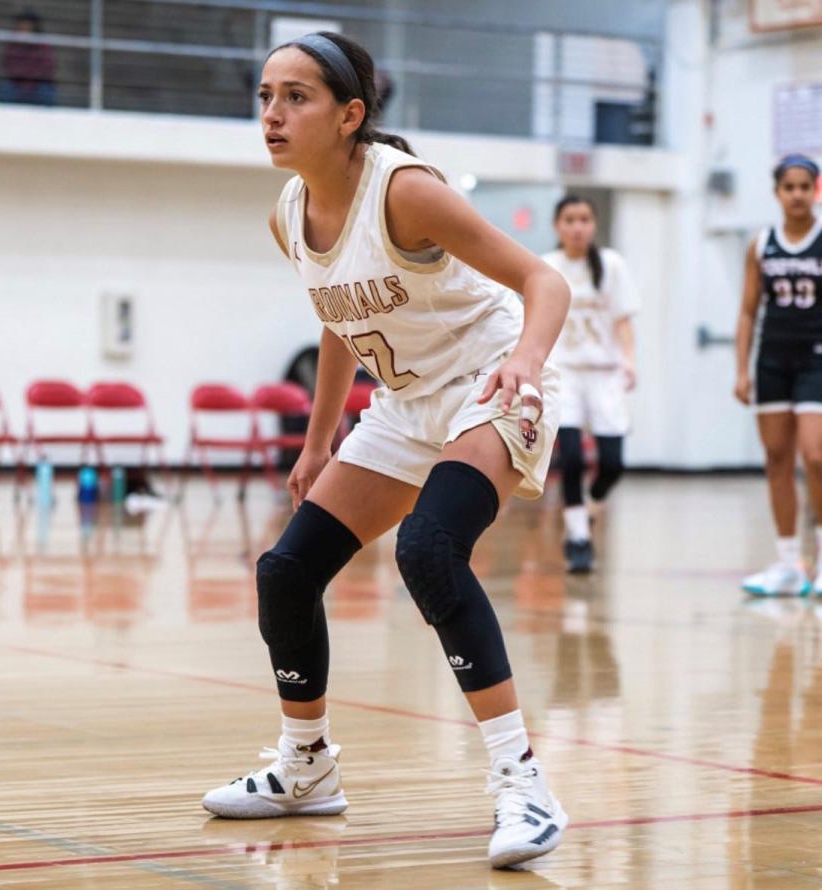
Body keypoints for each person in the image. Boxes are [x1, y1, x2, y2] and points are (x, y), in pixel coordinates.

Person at [201, 32, 571, 870]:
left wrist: (525, 363)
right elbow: (336, 317)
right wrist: (320, 432)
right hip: (404, 405)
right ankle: (308, 766)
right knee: (287, 572)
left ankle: (525, 785)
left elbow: (546, 281)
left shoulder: (405, 192)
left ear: (350, 115)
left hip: (493, 376)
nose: (272, 114)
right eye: (265, 96)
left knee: (430, 551)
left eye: (296, 96)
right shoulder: (288, 212)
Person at [735, 154, 822, 596]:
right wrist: (741, 369)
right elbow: (749, 310)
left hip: (816, 359)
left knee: (816, 456)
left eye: (804, 186)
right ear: (777, 193)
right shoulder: (761, 243)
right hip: (772, 360)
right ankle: (789, 564)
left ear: (816, 190)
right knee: (777, 461)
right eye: (789, 187)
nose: (797, 194)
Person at [542, 197, 639, 573]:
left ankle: (593, 502)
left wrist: (629, 361)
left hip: (604, 372)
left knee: (612, 464)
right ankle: (578, 537)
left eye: (584, 219)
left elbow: (623, 320)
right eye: (570, 219)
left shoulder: (612, 265)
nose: (577, 227)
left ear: (593, 224)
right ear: (557, 226)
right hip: (563, 371)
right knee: (572, 458)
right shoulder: (548, 266)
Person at [0, 10, 57, 107]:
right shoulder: (12, 44)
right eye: (22, 25)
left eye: (28, 25)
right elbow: (8, 66)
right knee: (5, 89)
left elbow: (47, 68)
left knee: (46, 91)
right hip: (17, 83)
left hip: (37, 84)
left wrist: (30, 82)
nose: (24, 28)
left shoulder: (43, 44)